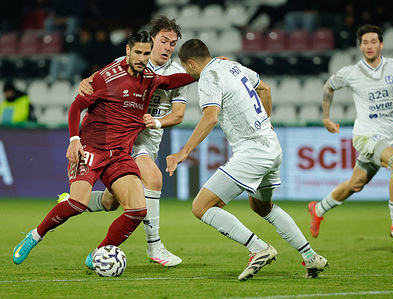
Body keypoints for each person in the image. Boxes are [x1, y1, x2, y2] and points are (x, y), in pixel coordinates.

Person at [12, 31, 195, 267]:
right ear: (128, 51)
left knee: (137, 210)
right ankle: (35, 235)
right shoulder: (106, 78)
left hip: (119, 154)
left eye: (145, 53)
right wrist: (74, 139)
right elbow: (76, 107)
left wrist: (203, 71)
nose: (141, 58)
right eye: (137, 52)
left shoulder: (150, 78)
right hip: (91, 148)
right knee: (77, 203)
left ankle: (97, 255)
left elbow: (171, 81)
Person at [166, 38, 328, 280]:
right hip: (272, 147)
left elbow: (210, 117)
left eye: (186, 69)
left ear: (191, 63)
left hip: (252, 152)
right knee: (262, 207)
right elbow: (266, 89)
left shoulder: (209, 76)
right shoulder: (234, 66)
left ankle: (258, 248)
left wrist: (183, 151)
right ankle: (310, 256)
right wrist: (265, 121)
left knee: (201, 207)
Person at [67, 16, 187, 267]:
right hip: (126, 139)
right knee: (154, 179)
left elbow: (178, 115)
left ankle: (73, 202)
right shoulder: (127, 62)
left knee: (112, 202)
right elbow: (95, 83)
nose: (168, 47)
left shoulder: (177, 74)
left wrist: (155, 123)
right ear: (151, 40)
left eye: (173, 43)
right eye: (163, 41)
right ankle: (155, 248)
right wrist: (86, 81)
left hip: (150, 139)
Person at [308, 24, 393, 241]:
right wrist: (326, 117)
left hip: (385, 136)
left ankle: (319, 209)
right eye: (365, 42)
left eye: (373, 42)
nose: (369, 46)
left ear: (381, 44)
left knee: (355, 185)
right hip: (365, 135)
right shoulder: (351, 72)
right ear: (360, 46)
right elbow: (328, 86)